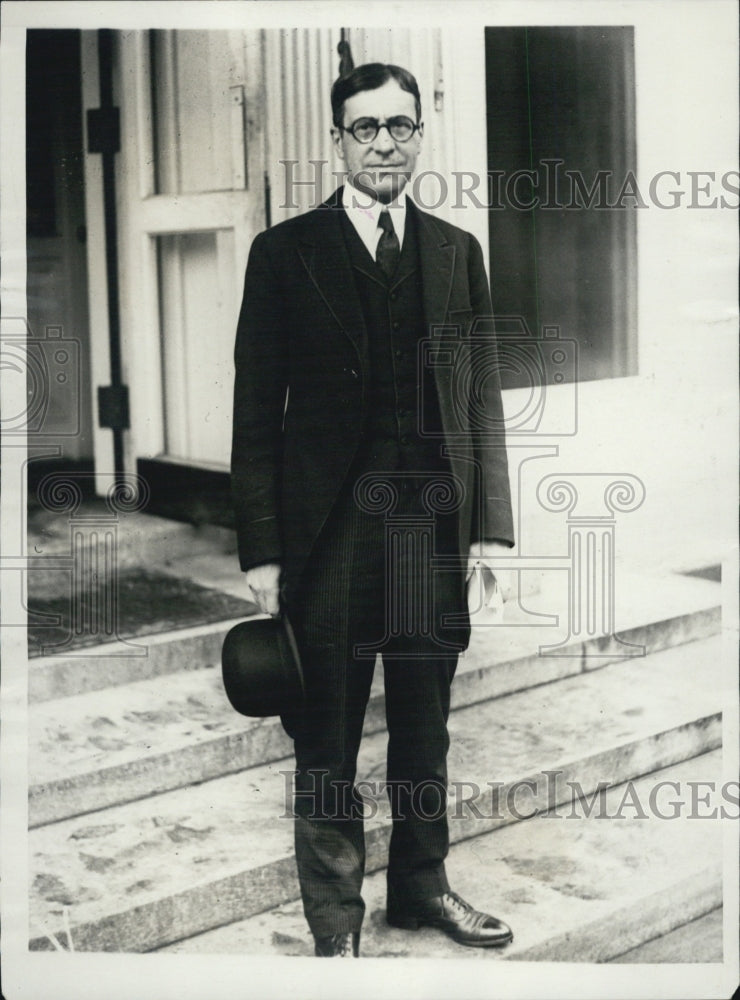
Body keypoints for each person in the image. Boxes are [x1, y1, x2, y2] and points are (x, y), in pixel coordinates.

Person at [231, 62, 515, 958]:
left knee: (425, 730)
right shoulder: (284, 253)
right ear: (338, 139)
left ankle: (421, 889)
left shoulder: (455, 251)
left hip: (430, 526)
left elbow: (480, 401)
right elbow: (254, 408)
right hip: (329, 537)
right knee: (328, 738)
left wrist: (493, 528)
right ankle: (336, 925)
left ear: (421, 133)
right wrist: (262, 548)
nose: (384, 143)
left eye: (399, 126)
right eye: (365, 128)